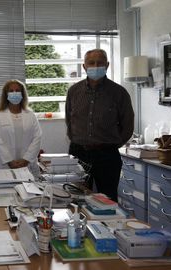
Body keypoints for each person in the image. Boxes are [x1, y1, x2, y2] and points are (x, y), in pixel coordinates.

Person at [65, 49, 134, 201]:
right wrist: (78, 140)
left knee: (107, 200)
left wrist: (112, 144)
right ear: (84, 66)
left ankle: (107, 226)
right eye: (91, 63)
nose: (95, 66)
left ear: (107, 65)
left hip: (107, 155)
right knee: (76, 197)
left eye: (100, 63)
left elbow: (128, 125)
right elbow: (69, 120)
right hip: (79, 153)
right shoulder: (74, 91)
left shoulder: (119, 93)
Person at [0, 80, 42, 179]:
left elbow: (37, 137)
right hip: (5, 166)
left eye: (17, 90)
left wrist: (26, 160)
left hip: (27, 165)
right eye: (11, 91)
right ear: (6, 94)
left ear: (22, 94)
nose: (14, 93)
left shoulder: (30, 115)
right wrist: (9, 161)